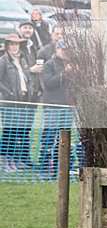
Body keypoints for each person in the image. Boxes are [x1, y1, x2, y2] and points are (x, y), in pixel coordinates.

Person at [39, 39, 75, 179]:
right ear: (57, 49)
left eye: (68, 49)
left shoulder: (73, 65)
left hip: (68, 107)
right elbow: (48, 84)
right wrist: (64, 73)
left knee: (64, 139)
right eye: (63, 49)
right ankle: (45, 169)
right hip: (53, 107)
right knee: (49, 138)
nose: (65, 51)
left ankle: (62, 169)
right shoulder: (49, 64)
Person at [0, 33, 33, 173]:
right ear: (7, 46)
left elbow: (28, 78)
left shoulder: (23, 60)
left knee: (18, 131)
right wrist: (9, 93)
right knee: (9, 133)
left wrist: (30, 90)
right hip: (9, 103)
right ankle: (4, 161)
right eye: (12, 44)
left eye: (17, 44)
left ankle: (13, 161)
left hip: (22, 102)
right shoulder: (3, 61)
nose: (14, 47)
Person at [18, 21, 43, 103]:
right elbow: (11, 68)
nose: (27, 30)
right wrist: (30, 70)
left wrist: (39, 87)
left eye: (30, 28)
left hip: (34, 91)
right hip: (21, 91)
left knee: (31, 115)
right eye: (25, 28)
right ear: (19, 29)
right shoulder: (14, 46)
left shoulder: (33, 47)